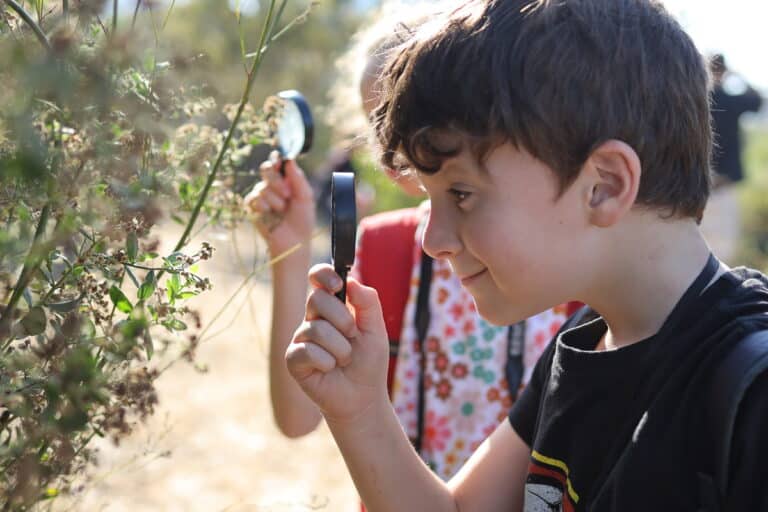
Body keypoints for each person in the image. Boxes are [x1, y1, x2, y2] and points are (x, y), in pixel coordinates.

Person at [285, 1, 768, 511]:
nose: (433, 240)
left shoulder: (750, 401)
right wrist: (361, 410)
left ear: (604, 185)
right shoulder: (582, 342)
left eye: (462, 194)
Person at [245, 2, 574, 482]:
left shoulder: (570, 261)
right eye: (379, 129)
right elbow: (298, 419)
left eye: (416, 125)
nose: (399, 154)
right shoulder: (385, 248)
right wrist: (288, 251)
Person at [699, 53, 763, 263]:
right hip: (721, 187)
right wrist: (737, 76)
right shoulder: (731, 100)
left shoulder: (695, 98)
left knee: (699, 251)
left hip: (697, 187)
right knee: (724, 251)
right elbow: (757, 100)